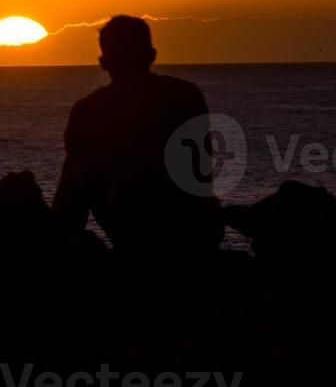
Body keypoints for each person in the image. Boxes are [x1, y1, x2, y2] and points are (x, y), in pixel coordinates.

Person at [52, 15, 223, 253]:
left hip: (135, 237)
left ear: (103, 62)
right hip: (200, 232)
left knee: (77, 165)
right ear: (152, 56)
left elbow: (72, 204)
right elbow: (202, 175)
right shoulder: (186, 95)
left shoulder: (89, 110)